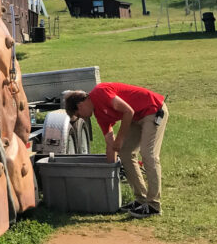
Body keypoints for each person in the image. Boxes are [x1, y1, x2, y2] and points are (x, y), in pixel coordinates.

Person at [65, 82, 168, 219]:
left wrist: (120, 139)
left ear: (80, 105)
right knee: (125, 152)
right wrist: (108, 174)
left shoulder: (100, 92)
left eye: (78, 115)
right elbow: (111, 144)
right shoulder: (99, 115)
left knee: (148, 154)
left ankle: (154, 205)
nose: (82, 118)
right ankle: (141, 199)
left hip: (153, 110)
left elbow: (128, 111)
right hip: (137, 117)